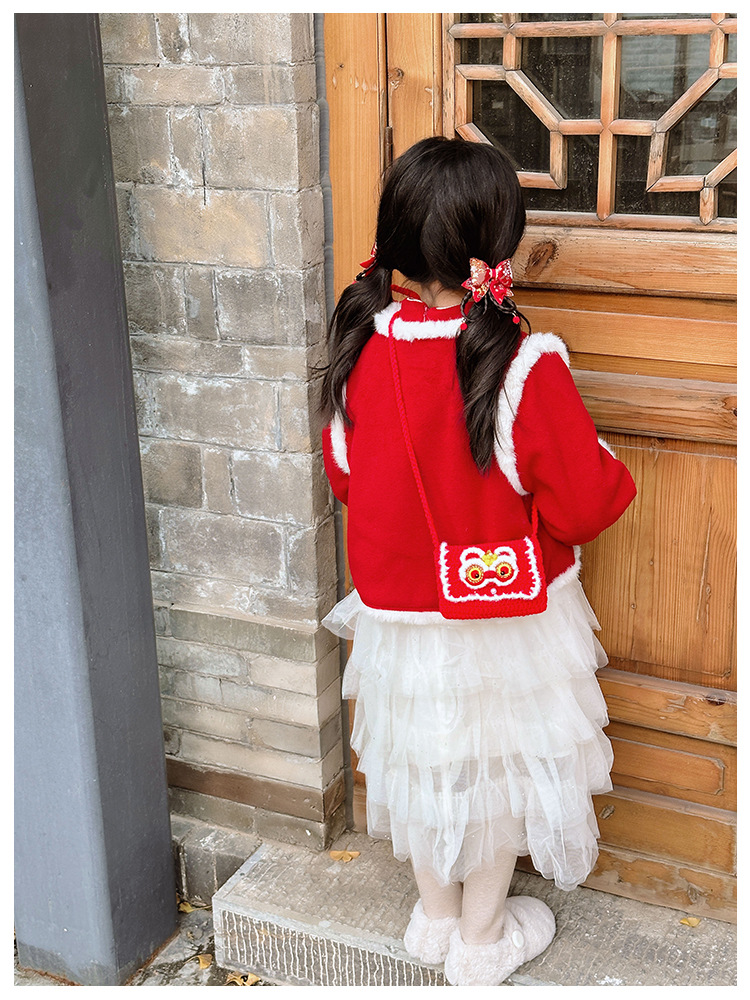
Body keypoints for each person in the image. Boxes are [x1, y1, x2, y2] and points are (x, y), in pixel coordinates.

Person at [318, 136, 637, 987]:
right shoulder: (522, 363)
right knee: (494, 768)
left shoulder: (359, 351)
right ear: (496, 244)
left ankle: (434, 917)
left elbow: (346, 476)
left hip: (399, 612)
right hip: (505, 614)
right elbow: (585, 502)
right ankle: (483, 937)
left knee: (424, 761)